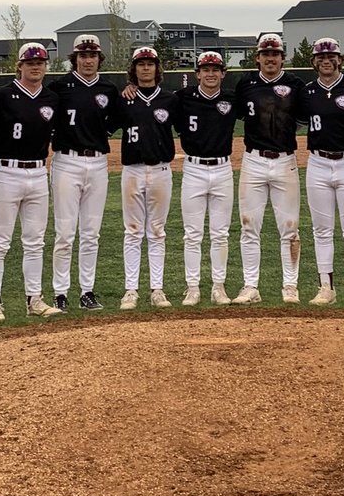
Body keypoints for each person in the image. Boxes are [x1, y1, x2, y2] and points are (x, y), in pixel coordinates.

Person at [0, 43, 60, 322]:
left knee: (35, 242)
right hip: (7, 172)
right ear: (20, 66)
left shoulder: (51, 98)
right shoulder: (1, 94)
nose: (35, 67)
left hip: (39, 172)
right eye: (30, 63)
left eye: (40, 62)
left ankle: (34, 299)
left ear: (45, 66)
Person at [48, 34, 121, 311]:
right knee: (65, 232)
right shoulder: (59, 87)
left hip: (98, 163)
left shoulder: (108, 88)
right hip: (67, 162)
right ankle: (60, 292)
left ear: (99, 59)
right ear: (75, 58)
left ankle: (87, 291)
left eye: (92, 55)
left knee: (91, 233)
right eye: (83, 55)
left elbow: (117, 118)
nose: (88, 60)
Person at [234, 32, 306, 304]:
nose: (270, 58)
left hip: (285, 160)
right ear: (258, 58)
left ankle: (290, 286)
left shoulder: (295, 84)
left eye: (275, 53)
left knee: (290, 227)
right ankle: (250, 285)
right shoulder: (246, 84)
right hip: (253, 160)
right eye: (266, 54)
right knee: (249, 226)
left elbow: (305, 116)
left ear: (282, 58)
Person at [299, 38, 344, 307]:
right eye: (321, 57)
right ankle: (326, 287)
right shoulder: (307, 92)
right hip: (318, 163)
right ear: (314, 62)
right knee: (321, 230)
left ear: (340, 59)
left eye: (331, 56)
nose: (326, 61)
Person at [174, 51, 239, 306]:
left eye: (215, 70)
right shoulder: (183, 98)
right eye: (205, 69)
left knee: (220, 233)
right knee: (192, 234)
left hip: (223, 168)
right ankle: (192, 287)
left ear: (223, 73)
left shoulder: (232, 98)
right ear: (197, 74)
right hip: (194, 168)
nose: (210, 74)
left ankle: (218, 286)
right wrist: (132, 87)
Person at [118, 46, 178, 310]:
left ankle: (157, 289)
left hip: (161, 170)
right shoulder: (124, 98)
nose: (145, 68)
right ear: (134, 69)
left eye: (150, 64)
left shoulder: (170, 99)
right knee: (132, 231)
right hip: (132, 170)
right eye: (140, 64)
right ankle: (130, 290)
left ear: (157, 68)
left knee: (157, 231)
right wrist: (125, 90)